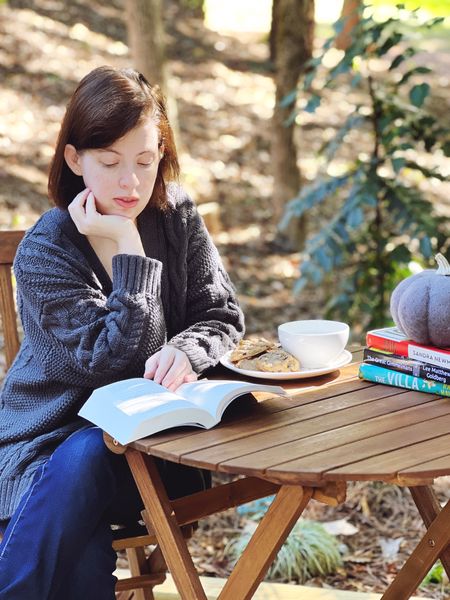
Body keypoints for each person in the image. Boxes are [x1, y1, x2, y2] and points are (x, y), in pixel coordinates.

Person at [0, 65, 245, 599]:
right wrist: (128, 252)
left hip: (162, 452)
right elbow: (109, 363)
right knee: (84, 551)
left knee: (90, 479)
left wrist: (185, 350)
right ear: (74, 159)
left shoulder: (176, 214)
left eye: (145, 160)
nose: (130, 182)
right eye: (109, 163)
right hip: (49, 448)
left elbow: (221, 315)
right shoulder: (47, 251)